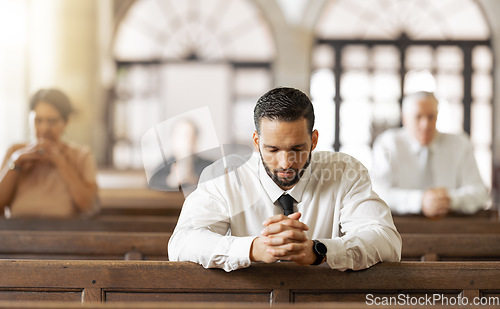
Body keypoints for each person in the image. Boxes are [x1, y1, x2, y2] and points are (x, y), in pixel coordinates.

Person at [168, 87, 401, 272]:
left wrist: (319, 251)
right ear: (257, 142)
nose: (285, 163)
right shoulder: (224, 176)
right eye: (272, 149)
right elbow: (182, 243)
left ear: (314, 140)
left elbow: (386, 239)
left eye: (297, 148)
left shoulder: (346, 171)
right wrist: (252, 248)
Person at [371, 91, 489, 218]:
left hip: (452, 227)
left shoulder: (460, 144)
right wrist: (420, 201)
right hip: (400, 228)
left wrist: (450, 200)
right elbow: (378, 193)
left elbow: (480, 193)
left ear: (437, 116)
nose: (425, 124)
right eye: (418, 117)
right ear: (404, 118)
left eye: (431, 117)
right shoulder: (387, 144)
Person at [0, 88, 98, 218]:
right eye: (38, 120)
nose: (44, 128)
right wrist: (16, 162)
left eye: (52, 121)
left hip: (65, 236)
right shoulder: (16, 152)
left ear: (66, 122)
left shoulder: (81, 155)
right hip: (17, 235)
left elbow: (87, 206)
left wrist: (60, 161)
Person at [148, 118, 212, 192]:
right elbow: (150, 184)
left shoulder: (209, 166)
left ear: (196, 139)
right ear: (173, 139)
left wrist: (194, 180)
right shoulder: (162, 167)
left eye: (190, 135)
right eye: (181, 135)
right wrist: (170, 182)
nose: (187, 140)